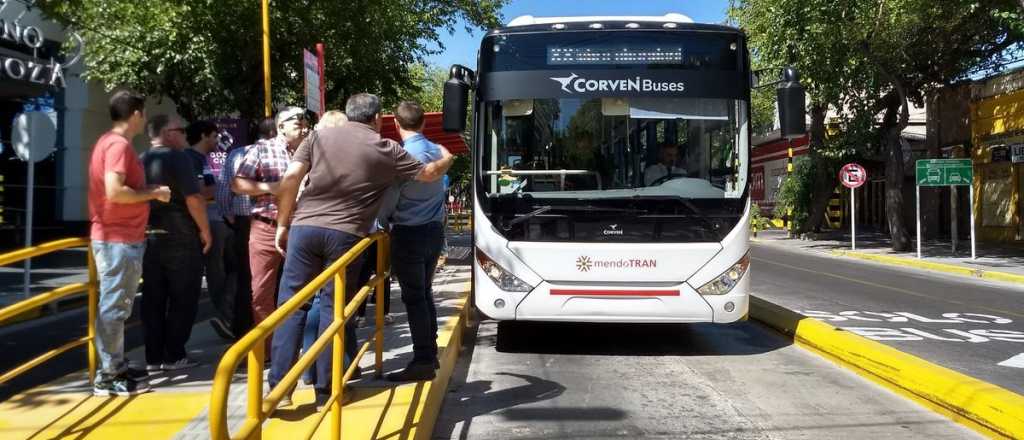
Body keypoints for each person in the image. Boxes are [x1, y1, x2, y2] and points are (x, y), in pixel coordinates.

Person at [269, 93, 453, 408]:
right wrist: (447, 158)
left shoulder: (317, 137)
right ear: (378, 118)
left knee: (291, 306)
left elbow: (290, 178)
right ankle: (326, 393)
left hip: (303, 229)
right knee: (332, 309)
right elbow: (430, 174)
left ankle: (278, 390)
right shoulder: (386, 148)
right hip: (345, 234)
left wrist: (283, 224)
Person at [88, 90, 170, 396]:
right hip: (118, 238)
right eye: (143, 112)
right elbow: (115, 191)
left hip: (117, 237)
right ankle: (108, 377)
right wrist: (154, 194)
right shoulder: (119, 145)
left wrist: (148, 189)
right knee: (114, 308)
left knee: (116, 307)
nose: (145, 117)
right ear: (135, 113)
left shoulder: (108, 143)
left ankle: (115, 367)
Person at [233, 108, 309, 352]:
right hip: (266, 227)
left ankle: (299, 346)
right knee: (261, 291)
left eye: (304, 122)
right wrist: (271, 187)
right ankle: (268, 350)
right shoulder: (262, 150)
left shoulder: (311, 150)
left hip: (302, 228)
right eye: (296, 122)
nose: (302, 126)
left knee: (303, 290)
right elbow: (238, 183)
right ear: (281, 127)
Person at [141, 114, 212, 373]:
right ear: (168, 133)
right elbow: (194, 198)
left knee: (153, 298)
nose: (185, 135)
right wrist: (205, 231)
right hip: (181, 234)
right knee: (184, 297)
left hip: (150, 234)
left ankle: (153, 356)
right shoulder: (178, 157)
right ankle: (174, 354)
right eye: (181, 130)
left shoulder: (141, 159)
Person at [386, 101, 451, 382]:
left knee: (414, 297)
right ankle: (429, 352)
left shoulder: (400, 155)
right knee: (425, 293)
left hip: (408, 233)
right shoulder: (439, 151)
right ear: (423, 123)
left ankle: (423, 358)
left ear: (396, 125)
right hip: (433, 231)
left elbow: (389, 199)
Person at [218, 118, 275, 338]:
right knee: (267, 279)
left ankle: (242, 330)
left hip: (243, 222)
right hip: (267, 222)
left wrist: (230, 217)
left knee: (245, 277)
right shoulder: (274, 154)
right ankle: (265, 332)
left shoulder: (236, 154)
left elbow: (224, 189)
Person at [186, 120, 236, 340]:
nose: (218, 141)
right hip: (210, 222)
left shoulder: (204, 159)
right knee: (217, 273)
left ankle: (229, 315)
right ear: (204, 136)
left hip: (221, 219)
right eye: (215, 136)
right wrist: (227, 185)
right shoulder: (192, 159)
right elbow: (198, 192)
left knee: (232, 269)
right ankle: (226, 317)